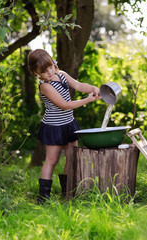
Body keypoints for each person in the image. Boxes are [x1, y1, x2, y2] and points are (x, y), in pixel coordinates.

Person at [28, 49, 101, 204]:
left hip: (68, 124)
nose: (49, 72)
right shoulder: (45, 86)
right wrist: (87, 100)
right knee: (51, 160)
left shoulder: (61, 74)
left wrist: (93, 88)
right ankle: (43, 198)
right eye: (44, 71)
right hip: (54, 127)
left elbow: (79, 85)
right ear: (35, 72)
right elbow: (65, 105)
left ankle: (67, 193)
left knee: (72, 157)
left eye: (50, 67)